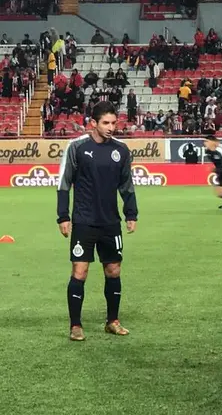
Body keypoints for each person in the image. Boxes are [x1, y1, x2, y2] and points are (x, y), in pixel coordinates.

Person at [56, 101, 137, 342]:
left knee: (113, 270)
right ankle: (76, 325)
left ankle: (112, 321)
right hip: (84, 221)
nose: (111, 127)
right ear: (93, 123)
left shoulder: (121, 150)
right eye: (106, 123)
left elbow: (127, 185)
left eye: (114, 122)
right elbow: (64, 183)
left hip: (110, 221)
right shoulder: (77, 147)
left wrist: (131, 214)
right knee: (79, 272)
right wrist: (63, 216)